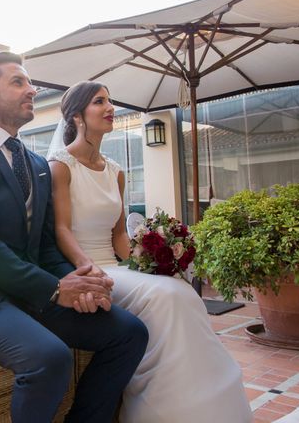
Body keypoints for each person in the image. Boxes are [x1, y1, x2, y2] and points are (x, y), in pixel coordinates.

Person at [0, 52, 148, 423]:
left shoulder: (35, 165)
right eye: (18, 82)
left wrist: (78, 284)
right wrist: (55, 289)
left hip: (30, 296)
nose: (32, 89)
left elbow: (45, 244)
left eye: (29, 82)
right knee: (50, 357)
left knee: (129, 333)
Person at [48, 81, 253, 423]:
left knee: (180, 290)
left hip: (116, 265)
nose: (110, 107)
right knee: (168, 297)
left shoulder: (115, 171)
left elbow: (117, 234)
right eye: (100, 102)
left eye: (110, 100)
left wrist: (148, 262)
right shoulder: (60, 165)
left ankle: (199, 406)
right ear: (78, 117)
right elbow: (61, 230)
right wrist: (88, 267)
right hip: (84, 267)